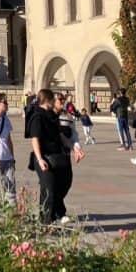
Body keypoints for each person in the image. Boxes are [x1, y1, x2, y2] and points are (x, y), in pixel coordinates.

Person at [28, 89, 84, 225]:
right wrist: (40, 159)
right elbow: (34, 139)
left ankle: (53, 214)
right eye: (54, 99)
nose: (56, 101)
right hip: (45, 158)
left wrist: (74, 148)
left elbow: (60, 136)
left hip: (57, 156)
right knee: (49, 189)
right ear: (48, 100)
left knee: (64, 183)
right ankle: (46, 221)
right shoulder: (37, 116)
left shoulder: (51, 116)